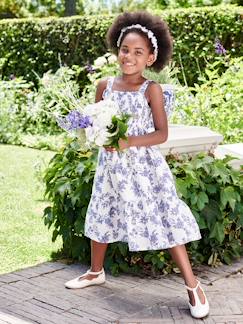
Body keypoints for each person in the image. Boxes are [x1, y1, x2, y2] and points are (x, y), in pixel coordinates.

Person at [65, 11, 210, 319]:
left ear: (151, 57)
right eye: (125, 49)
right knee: (103, 210)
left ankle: (193, 285)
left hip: (144, 169)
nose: (129, 57)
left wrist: (126, 142)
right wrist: (96, 136)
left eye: (138, 52)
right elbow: (95, 122)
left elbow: (161, 133)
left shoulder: (151, 90)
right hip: (110, 166)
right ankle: (95, 271)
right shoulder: (104, 85)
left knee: (164, 216)